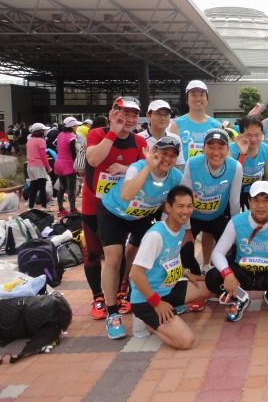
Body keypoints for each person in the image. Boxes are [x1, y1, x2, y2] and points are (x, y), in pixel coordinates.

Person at [98, 136, 183, 339]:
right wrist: (148, 167)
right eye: (163, 153)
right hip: (113, 212)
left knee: (141, 257)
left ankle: (131, 292)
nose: (167, 159)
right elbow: (126, 195)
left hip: (143, 216)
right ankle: (112, 313)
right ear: (154, 153)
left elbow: (172, 204)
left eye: (172, 155)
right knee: (114, 258)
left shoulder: (176, 177)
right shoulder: (138, 167)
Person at [82, 97, 147, 321]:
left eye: (134, 115)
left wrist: (126, 168)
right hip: (93, 204)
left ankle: (119, 292)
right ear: (112, 113)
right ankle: (98, 297)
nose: (129, 119)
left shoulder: (139, 141)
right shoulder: (97, 134)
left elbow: (146, 170)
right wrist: (112, 132)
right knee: (93, 252)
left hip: (120, 208)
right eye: (124, 113)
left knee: (116, 252)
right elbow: (93, 160)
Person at [205, 181, 268, 322]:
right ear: (249, 202)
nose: (261, 206)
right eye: (256, 200)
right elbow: (217, 253)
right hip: (242, 273)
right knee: (212, 278)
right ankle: (240, 297)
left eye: (266, 200)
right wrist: (228, 274)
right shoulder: (236, 222)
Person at [129, 185, 212, 348]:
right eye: (180, 206)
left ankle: (167, 312)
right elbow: (135, 274)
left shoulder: (180, 230)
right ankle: (145, 320)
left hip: (167, 290)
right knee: (186, 341)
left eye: (189, 206)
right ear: (168, 207)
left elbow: (167, 261)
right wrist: (157, 303)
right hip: (147, 299)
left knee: (208, 287)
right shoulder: (155, 236)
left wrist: (186, 273)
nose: (185, 211)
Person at [180, 128, 242, 273]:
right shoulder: (192, 164)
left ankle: (221, 275)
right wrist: (187, 230)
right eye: (211, 147)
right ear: (203, 148)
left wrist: (236, 230)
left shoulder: (235, 167)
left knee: (232, 250)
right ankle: (194, 275)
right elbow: (184, 198)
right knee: (185, 248)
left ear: (228, 149)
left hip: (217, 216)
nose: (216, 152)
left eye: (221, 147)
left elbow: (234, 202)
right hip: (193, 216)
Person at [169, 80, 221, 163]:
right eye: (193, 95)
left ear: (207, 99)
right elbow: (171, 153)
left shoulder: (216, 126)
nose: (198, 99)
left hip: (209, 170)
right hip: (184, 171)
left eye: (201, 95)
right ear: (187, 100)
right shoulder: (176, 124)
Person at [229, 115, 268, 209]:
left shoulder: (267, 150)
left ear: (262, 134)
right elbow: (232, 177)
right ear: (241, 134)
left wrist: (267, 197)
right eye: (249, 135)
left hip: (256, 191)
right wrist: (242, 154)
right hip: (234, 190)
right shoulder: (230, 150)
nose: (253, 139)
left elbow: (267, 177)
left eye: (257, 135)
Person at [137, 100, 185, 168]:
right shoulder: (138, 139)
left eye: (166, 114)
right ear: (148, 116)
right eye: (158, 114)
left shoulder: (176, 139)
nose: (162, 118)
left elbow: (178, 166)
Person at [54, 116, 82, 216]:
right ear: (72, 126)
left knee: (62, 187)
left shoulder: (60, 134)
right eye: (76, 125)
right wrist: (77, 167)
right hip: (68, 165)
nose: (76, 127)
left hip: (58, 163)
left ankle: (61, 209)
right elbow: (73, 153)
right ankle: (73, 209)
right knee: (71, 188)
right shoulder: (71, 136)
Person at [26, 122, 52, 210]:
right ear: (39, 131)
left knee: (33, 187)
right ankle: (44, 207)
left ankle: (30, 206)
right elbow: (43, 157)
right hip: (38, 166)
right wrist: (48, 168)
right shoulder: (41, 141)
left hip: (30, 166)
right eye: (43, 130)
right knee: (42, 187)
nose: (44, 131)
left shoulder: (29, 141)